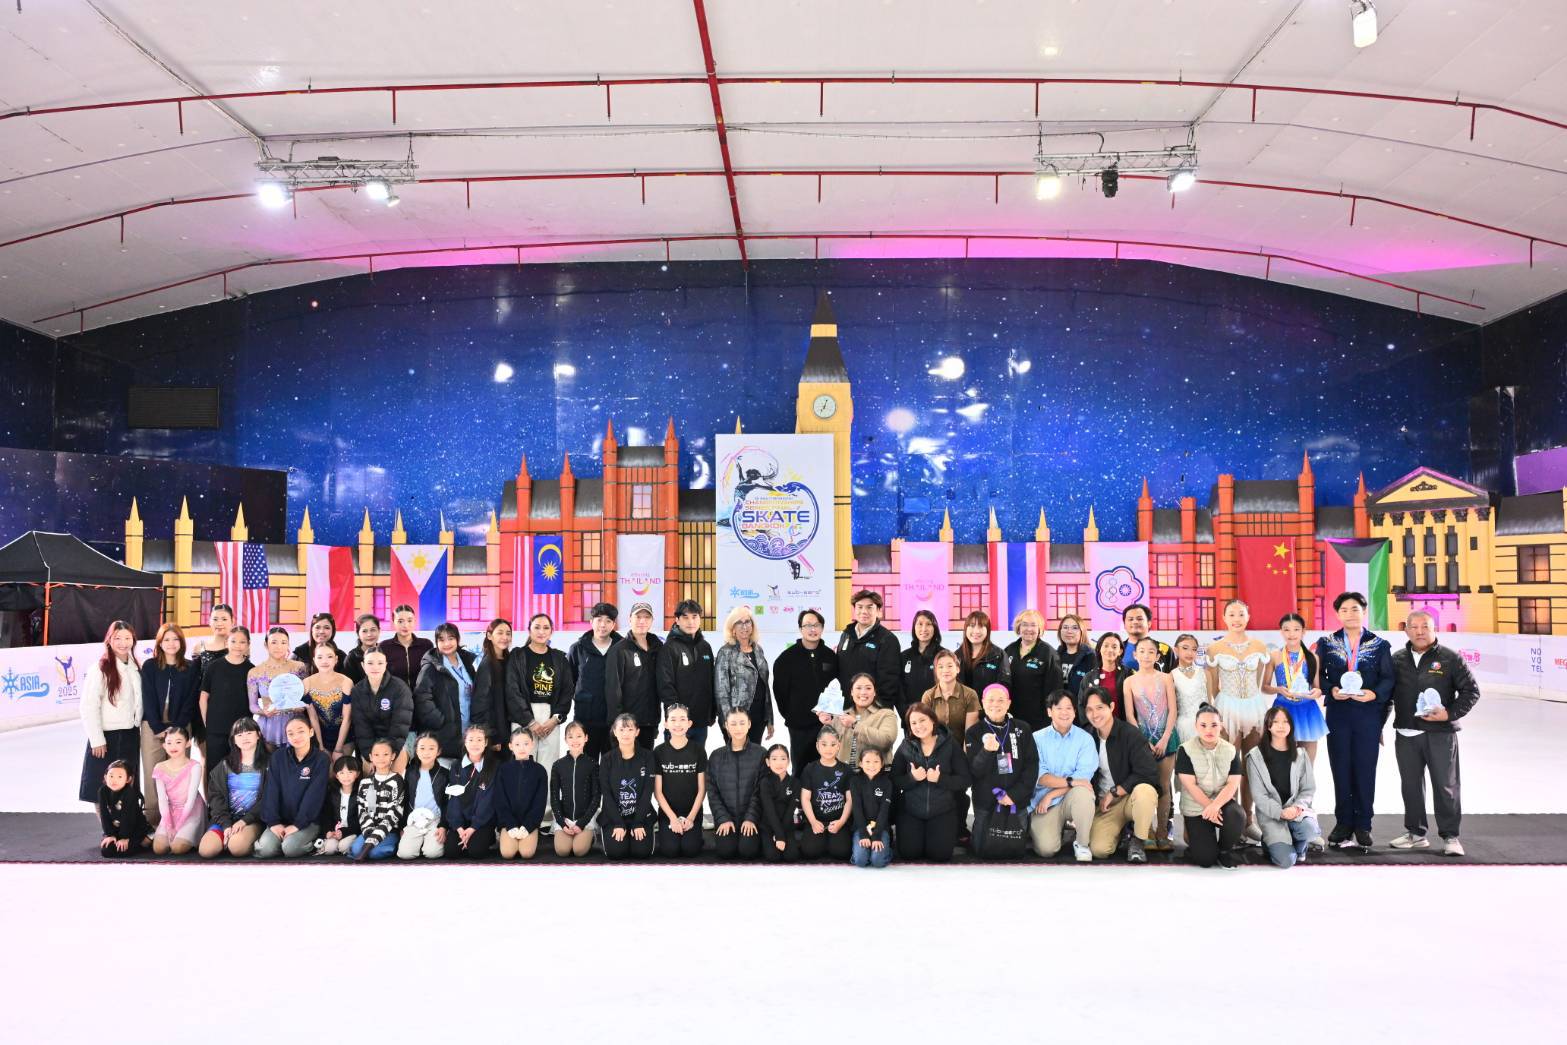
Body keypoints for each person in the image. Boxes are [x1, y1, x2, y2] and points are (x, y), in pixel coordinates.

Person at [1389, 610, 1480, 857]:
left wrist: (1449, 714)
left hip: (1440, 734)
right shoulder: (1397, 660)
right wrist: (1378, 726)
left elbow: (1471, 691)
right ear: (1406, 630)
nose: (1420, 631)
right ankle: (1416, 834)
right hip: (1407, 733)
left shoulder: (1450, 658)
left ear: (1434, 629)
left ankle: (1450, 836)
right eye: (1414, 627)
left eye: (1425, 627)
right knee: (1411, 786)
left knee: (1445, 786)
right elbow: (1387, 696)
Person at [1315, 591, 1395, 850]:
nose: (1350, 614)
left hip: (1367, 714)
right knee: (1340, 767)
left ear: (1364, 611)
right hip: (1338, 713)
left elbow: (1388, 678)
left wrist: (1375, 694)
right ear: (1338, 614)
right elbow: (1317, 676)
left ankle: (1363, 824)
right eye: (1344, 609)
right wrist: (1331, 689)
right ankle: (1343, 822)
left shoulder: (1379, 644)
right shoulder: (1327, 643)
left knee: (1365, 767)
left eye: (1355, 609)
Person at [1206, 600, 1270, 838]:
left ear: (1248, 616)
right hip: (1227, 709)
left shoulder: (1259, 646)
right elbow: (1213, 686)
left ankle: (1248, 821)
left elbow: (1259, 681)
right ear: (1224, 618)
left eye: (1241, 614)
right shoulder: (1215, 648)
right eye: (1231, 614)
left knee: (1252, 765)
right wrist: (1217, 715)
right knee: (1229, 767)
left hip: (1254, 708)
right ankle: (1231, 823)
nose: (1236, 619)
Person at [1082, 688, 1160, 862]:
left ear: (1111, 707)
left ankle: (1138, 840)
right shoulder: (1086, 736)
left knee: (1146, 792)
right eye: (1089, 710)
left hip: (1130, 798)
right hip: (1105, 805)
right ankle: (1120, 832)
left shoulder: (1130, 734)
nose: (1095, 714)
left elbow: (1148, 772)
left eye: (1100, 707)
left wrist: (1116, 791)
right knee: (1099, 850)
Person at [966, 683, 1038, 858]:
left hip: (1016, 801)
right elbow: (974, 771)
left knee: (1015, 850)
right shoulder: (974, 732)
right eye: (991, 700)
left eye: (1000, 700)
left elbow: (1031, 766)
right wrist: (986, 752)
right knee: (983, 850)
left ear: (1008, 703)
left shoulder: (1022, 729)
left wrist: (1014, 795)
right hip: (987, 802)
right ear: (983, 702)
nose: (995, 704)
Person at [893, 703, 971, 862]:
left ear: (933, 720)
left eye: (922, 720)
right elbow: (894, 779)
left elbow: (965, 780)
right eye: (913, 723)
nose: (918, 726)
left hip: (942, 810)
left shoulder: (950, 744)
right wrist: (912, 778)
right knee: (909, 853)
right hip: (911, 810)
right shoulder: (905, 746)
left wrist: (940, 779)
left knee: (939, 855)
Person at [501, 614, 573, 787]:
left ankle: (546, 804)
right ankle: (522, 803)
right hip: (523, 716)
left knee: (548, 766)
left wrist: (555, 719)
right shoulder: (517, 655)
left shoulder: (559, 658)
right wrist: (530, 722)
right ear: (529, 630)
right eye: (537, 627)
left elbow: (567, 690)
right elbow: (512, 691)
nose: (541, 631)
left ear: (552, 631)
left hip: (550, 717)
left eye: (546, 628)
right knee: (523, 764)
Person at [1245, 706, 1320, 869]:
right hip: (1272, 815)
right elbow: (1259, 796)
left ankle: (1298, 845)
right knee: (1287, 861)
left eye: (1285, 722)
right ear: (1268, 726)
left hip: (1296, 812)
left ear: (1291, 726)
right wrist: (1280, 812)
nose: (1281, 726)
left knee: (1311, 830)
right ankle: (1269, 842)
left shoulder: (1301, 754)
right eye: (1276, 722)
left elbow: (1308, 789)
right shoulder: (1255, 756)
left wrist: (1296, 808)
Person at [140, 622, 199, 826]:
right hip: (152, 726)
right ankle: (154, 821)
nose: (171, 643)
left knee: (179, 773)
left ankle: (180, 820)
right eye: (166, 639)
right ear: (159, 642)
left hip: (181, 725)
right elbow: (147, 698)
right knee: (152, 773)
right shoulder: (150, 666)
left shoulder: (190, 667)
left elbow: (191, 699)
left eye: (175, 639)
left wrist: (178, 729)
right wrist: (158, 728)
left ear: (181, 642)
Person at [1124, 636, 1178, 851]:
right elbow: (1130, 715)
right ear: (1134, 654)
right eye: (1142, 651)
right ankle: (1145, 831)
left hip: (1167, 738)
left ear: (1157, 656)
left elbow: (1173, 710)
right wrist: (1144, 741)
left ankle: (1162, 832)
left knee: (1164, 786)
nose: (1146, 655)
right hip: (1142, 741)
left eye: (1151, 652)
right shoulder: (1129, 681)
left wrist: (1165, 738)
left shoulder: (1165, 678)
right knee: (1144, 786)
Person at [1030, 689, 1097, 861]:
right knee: (1046, 850)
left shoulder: (1085, 739)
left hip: (1069, 797)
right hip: (1044, 803)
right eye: (1059, 708)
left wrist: (1052, 794)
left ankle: (1082, 843)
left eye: (1069, 708)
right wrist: (1071, 782)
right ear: (1049, 711)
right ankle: (1058, 828)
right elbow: (1041, 777)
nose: (1064, 712)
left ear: (1075, 712)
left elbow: (1083, 781)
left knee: (1083, 793)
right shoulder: (1036, 739)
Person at [79, 621, 142, 805]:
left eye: (127, 638)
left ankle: (125, 822)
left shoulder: (134, 666)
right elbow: (89, 705)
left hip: (130, 734)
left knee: (127, 784)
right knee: (101, 788)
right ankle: (106, 823)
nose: (123, 643)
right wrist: (96, 739)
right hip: (107, 737)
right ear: (109, 640)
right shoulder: (100, 668)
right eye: (118, 638)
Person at [773, 609, 840, 777]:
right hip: (799, 727)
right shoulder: (786, 659)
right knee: (800, 769)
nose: (812, 629)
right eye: (808, 625)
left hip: (826, 725)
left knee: (827, 768)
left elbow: (838, 688)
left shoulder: (831, 657)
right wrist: (792, 715)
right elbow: (780, 692)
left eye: (816, 625)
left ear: (822, 628)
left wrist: (831, 715)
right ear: (800, 629)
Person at [1176, 704, 1245, 868]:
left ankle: (1224, 850)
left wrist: (1215, 806)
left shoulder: (1230, 750)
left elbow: (1232, 783)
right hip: (1196, 806)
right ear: (1196, 726)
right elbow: (1191, 786)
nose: (1209, 730)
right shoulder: (1185, 750)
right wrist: (1209, 806)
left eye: (1214, 725)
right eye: (1203, 725)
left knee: (1237, 815)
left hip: (1221, 803)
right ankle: (1201, 842)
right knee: (1205, 859)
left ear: (1221, 726)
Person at [254, 716, 329, 859]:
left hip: (307, 821)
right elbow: (271, 790)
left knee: (290, 848)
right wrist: (274, 823)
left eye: (301, 731)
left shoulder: (321, 759)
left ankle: (314, 843)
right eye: (291, 733)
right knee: (265, 850)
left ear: (311, 732)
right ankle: (279, 843)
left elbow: (314, 795)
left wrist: (298, 825)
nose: (296, 737)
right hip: (281, 820)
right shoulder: (278, 757)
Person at [199, 717, 268, 859]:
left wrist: (244, 821)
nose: (244, 738)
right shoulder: (225, 765)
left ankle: (241, 839)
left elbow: (269, 799)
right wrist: (226, 825)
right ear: (234, 740)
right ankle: (228, 837)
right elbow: (216, 798)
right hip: (225, 820)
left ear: (258, 735)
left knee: (236, 847)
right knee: (206, 850)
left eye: (249, 733)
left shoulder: (269, 764)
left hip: (252, 820)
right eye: (239, 735)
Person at [1263, 614, 1327, 763]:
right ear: (1281, 632)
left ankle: (1306, 779)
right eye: (1287, 629)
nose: (1291, 634)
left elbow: (1317, 689)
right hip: (1282, 710)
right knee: (1282, 760)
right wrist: (1278, 690)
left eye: (1296, 629)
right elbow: (1264, 687)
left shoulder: (1312, 657)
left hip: (1307, 710)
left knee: (1307, 763)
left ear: (1303, 631)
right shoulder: (1274, 656)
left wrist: (1315, 693)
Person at [415, 623, 477, 769]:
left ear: (458, 639)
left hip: (468, 731)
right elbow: (421, 698)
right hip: (445, 735)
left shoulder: (467, 663)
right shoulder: (431, 667)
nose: (446, 643)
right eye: (441, 639)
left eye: (451, 638)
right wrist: (442, 721)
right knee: (445, 776)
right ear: (436, 642)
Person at [708, 708, 766, 860]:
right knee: (725, 851)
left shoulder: (760, 754)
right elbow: (712, 791)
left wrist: (751, 818)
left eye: (742, 723)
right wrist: (723, 818)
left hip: (751, 818)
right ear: (726, 725)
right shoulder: (716, 756)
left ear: (749, 724)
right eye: (733, 724)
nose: (738, 728)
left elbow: (761, 791)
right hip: (727, 818)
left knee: (748, 851)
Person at [605, 602, 664, 750]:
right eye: (638, 617)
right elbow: (613, 689)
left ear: (652, 621)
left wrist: (656, 720)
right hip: (626, 725)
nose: (642, 621)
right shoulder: (619, 650)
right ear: (630, 619)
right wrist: (618, 723)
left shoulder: (658, 648)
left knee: (646, 762)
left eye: (647, 617)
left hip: (649, 722)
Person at [659, 599, 716, 747]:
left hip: (701, 722)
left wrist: (712, 712)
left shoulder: (705, 647)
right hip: (678, 724)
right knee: (675, 760)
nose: (691, 622)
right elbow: (665, 685)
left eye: (694, 617)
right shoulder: (669, 648)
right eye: (685, 617)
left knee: (698, 760)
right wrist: (676, 717)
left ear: (700, 619)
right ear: (677, 620)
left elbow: (711, 681)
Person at [600, 714, 658, 859]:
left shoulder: (648, 757)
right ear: (615, 732)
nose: (625, 734)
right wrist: (618, 823)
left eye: (630, 729)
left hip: (640, 816)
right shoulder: (607, 759)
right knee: (616, 852)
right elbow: (606, 794)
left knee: (641, 852)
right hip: (614, 817)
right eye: (621, 729)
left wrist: (638, 822)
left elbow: (648, 792)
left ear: (637, 732)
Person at [714, 605, 774, 746]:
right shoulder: (725, 652)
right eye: (739, 622)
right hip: (737, 718)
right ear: (732, 628)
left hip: (759, 716)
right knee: (737, 755)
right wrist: (728, 722)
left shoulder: (758, 650)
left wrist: (769, 719)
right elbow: (721, 692)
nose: (744, 626)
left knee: (755, 754)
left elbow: (765, 686)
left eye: (747, 622)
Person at [567, 602, 621, 758]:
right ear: (591, 622)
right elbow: (569, 683)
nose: (603, 625)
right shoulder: (578, 648)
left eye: (608, 621)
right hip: (586, 719)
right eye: (599, 620)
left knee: (612, 765)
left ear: (613, 625)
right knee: (586, 764)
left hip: (614, 720)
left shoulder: (622, 648)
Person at [653, 704, 707, 858]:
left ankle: (696, 834)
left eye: (682, 719)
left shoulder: (698, 750)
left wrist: (691, 818)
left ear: (689, 723)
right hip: (668, 813)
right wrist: (672, 818)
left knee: (690, 850)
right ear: (666, 724)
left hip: (692, 811)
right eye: (673, 719)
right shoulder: (659, 752)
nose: (678, 724)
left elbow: (702, 789)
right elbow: (657, 792)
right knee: (670, 850)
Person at [350, 649, 413, 774]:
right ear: (363, 665)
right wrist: (370, 756)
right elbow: (362, 727)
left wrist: (388, 754)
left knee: (392, 776)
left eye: (380, 663)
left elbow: (400, 726)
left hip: (400, 738)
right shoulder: (357, 690)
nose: (375, 667)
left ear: (385, 665)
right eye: (370, 663)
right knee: (369, 773)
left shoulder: (400, 688)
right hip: (371, 741)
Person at [835, 589, 902, 709]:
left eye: (869, 607)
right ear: (854, 609)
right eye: (860, 607)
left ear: (879, 611)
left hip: (874, 710)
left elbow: (889, 682)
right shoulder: (846, 634)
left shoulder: (887, 639)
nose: (864, 611)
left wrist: (877, 709)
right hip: (846, 708)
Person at [199, 626, 253, 770]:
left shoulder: (251, 670)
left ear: (248, 644)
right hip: (216, 729)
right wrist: (207, 722)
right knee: (215, 770)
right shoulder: (213, 667)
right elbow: (203, 697)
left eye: (242, 642)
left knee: (239, 770)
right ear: (226, 642)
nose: (237, 646)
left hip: (242, 732)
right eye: (233, 641)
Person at [823, 672, 899, 773]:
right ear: (852, 692)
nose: (863, 692)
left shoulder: (886, 714)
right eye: (858, 688)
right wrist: (827, 723)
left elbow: (886, 740)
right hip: (844, 775)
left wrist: (855, 725)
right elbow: (826, 746)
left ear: (874, 692)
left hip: (875, 775)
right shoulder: (841, 715)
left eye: (868, 688)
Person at [248, 627, 308, 750]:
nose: (279, 647)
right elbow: (252, 706)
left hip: (295, 723)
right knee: (270, 760)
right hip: (269, 725)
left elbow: (306, 697)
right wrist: (263, 712)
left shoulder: (299, 668)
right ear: (266, 645)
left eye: (283, 642)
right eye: (274, 642)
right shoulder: (255, 672)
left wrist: (301, 707)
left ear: (288, 644)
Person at [800, 726, 854, 861]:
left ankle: (832, 839)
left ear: (839, 746)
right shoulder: (810, 769)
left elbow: (850, 800)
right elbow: (805, 799)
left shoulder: (846, 770)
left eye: (833, 744)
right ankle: (822, 839)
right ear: (817, 746)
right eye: (824, 744)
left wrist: (841, 822)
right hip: (817, 819)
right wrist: (813, 822)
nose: (828, 749)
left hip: (838, 820)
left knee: (842, 852)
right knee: (810, 851)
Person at [149, 726, 205, 856]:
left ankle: (189, 835)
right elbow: (162, 800)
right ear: (164, 746)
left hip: (191, 810)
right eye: (169, 743)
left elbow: (191, 800)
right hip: (171, 810)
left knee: (177, 848)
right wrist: (169, 826)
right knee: (158, 848)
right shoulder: (159, 767)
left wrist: (178, 826)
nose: (173, 746)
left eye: (178, 742)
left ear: (188, 743)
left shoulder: (195, 766)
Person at [1004, 609, 1063, 732]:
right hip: (1011, 716)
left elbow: (1055, 690)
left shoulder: (1049, 653)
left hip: (1038, 720)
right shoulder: (1009, 650)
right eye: (1024, 624)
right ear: (1018, 627)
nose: (1029, 629)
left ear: (1039, 629)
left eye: (1033, 625)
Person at [445, 725, 498, 860]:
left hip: (482, 822)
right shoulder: (456, 766)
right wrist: (459, 827)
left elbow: (488, 801)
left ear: (485, 742)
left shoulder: (493, 766)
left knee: (476, 851)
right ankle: (464, 838)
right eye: (471, 740)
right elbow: (454, 799)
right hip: (462, 822)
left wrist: (473, 827)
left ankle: (489, 837)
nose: (475, 744)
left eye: (479, 740)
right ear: (465, 742)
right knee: (451, 852)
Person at [550, 721, 601, 858]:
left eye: (579, 736)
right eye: (570, 736)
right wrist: (562, 822)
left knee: (579, 851)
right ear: (565, 739)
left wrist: (582, 823)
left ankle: (589, 837)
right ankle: (566, 833)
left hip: (584, 818)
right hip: (565, 818)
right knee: (562, 851)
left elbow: (596, 796)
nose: (575, 740)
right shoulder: (558, 765)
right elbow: (554, 796)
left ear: (586, 738)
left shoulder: (593, 764)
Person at [495, 728, 548, 860]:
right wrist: (510, 825)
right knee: (507, 853)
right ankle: (504, 835)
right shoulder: (503, 769)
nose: (522, 748)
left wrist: (528, 826)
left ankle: (530, 834)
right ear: (510, 746)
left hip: (529, 823)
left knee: (526, 853)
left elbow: (539, 803)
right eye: (517, 744)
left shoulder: (540, 771)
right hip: (508, 823)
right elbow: (500, 800)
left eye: (526, 743)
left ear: (532, 744)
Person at [351, 738, 406, 860]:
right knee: (356, 850)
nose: (381, 758)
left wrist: (370, 844)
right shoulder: (365, 782)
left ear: (393, 756)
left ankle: (392, 845)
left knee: (374, 853)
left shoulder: (396, 781)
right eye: (376, 755)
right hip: (369, 830)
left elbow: (394, 814)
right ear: (371, 757)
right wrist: (369, 835)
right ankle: (369, 847)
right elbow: (362, 811)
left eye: (385, 754)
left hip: (389, 830)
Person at [192, 603, 236, 756]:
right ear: (209, 621)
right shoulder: (200, 647)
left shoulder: (239, 647)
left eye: (224, 619)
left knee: (233, 757)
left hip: (232, 709)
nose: (219, 623)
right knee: (207, 757)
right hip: (204, 708)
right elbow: (194, 681)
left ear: (232, 621)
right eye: (215, 619)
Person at [398, 733, 450, 860]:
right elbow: (405, 799)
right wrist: (402, 825)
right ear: (416, 750)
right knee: (405, 854)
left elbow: (446, 803)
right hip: (414, 819)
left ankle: (427, 843)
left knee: (432, 853)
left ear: (438, 751)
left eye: (431, 748)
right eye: (422, 748)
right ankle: (419, 843)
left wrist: (443, 826)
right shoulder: (410, 772)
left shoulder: (444, 774)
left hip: (435, 820)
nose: (426, 752)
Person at [302, 643, 354, 762]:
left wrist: (338, 749)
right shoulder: (307, 683)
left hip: (345, 737)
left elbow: (347, 718)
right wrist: (320, 747)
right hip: (320, 735)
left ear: (336, 659)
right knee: (325, 768)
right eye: (320, 657)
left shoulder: (346, 682)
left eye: (329, 656)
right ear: (314, 660)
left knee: (341, 767)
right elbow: (313, 717)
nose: (324, 661)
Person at [469, 618, 513, 760]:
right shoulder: (487, 665)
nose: (504, 637)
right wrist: (491, 736)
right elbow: (479, 704)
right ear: (489, 635)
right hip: (497, 735)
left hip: (510, 730)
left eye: (508, 633)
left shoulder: (509, 661)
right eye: (500, 633)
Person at [850, 747, 894, 868]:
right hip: (861, 827)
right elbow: (857, 809)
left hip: (881, 827)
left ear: (882, 764)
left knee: (877, 861)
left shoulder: (887, 783)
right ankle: (860, 851)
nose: (872, 765)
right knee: (860, 861)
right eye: (867, 761)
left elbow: (884, 811)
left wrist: (877, 835)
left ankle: (887, 851)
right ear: (860, 763)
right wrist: (864, 834)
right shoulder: (855, 781)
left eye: (876, 761)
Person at [96, 760, 149, 859]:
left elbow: (128, 818)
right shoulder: (102, 791)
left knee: (123, 851)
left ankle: (144, 840)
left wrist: (125, 837)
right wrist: (110, 835)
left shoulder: (129, 793)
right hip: (116, 829)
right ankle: (119, 839)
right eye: (111, 776)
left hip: (133, 829)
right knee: (106, 851)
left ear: (128, 779)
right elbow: (104, 815)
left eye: (120, 777)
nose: (114, 780)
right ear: (105, 777)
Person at [758, 744, 801, 861]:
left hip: (787, 826)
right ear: (768, 762)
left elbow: (791, 810)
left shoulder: (795, 783)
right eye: (774, 759)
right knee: (773, 856)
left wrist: (781, 835)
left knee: (791, 855)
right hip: (768, 826)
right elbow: (769, 810)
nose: (779, 763)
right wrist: (779, 836)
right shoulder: (765, 782)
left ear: (788, 761)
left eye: (783, 758)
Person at [379, 604, 434, 691]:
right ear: (393, 622)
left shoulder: (426, 645)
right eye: (400, 621)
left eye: (409, 620)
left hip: (423, 696)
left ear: (414, 621)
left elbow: (432, 674)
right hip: (395, 696)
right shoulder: (384, 647)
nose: (405, 625)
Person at [900, 610, 943, 717]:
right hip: (910, 716)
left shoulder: (943, 655)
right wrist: (906, 712)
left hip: (937, 716)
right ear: (914, 628)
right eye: (920, 624)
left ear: (935, 628)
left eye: (928, 624)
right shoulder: (904, 656)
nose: (924, 629)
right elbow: (899, 688)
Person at [1077, 633, 1130, 720]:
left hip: (1122, 725)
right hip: (1096, 726)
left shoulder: (1128, 674)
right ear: (1099, 648)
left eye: (1114, 647)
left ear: (1120, 651)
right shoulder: (1089, 677)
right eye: (1106, 646)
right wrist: (1088, 726)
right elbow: (1082, 705)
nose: (1110, 650)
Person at [318, 754, 363, 856]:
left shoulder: (361, 793)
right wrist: (328, 831)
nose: (346, 776)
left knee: (343, 846)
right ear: (336, 775)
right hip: (335, 832)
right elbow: (326, 815)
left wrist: (344, 832)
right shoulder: (332, 792)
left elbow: (360, 819)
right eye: (341, 773)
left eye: (350, 772)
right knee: (329, 849)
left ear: (357, 774)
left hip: (352, 831)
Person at [958, 610, 1010, 694]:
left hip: (988, 702)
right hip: (963, 703)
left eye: (981, 627)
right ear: (965, 629)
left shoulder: (999, 655)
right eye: (972, 626)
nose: (976, 631)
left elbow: (1004, 685)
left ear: (988, 630)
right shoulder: (956, 656)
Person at [1121, 604, 1174, 672]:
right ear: (1124, 625)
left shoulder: (1164, 650)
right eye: (1130, 619)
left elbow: (1173, 676)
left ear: (1149, 623)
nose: (1135, 622)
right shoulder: (1117, 649)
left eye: (1139, 619)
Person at [1057, 614, 1097, 698]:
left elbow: (1094, 689)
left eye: (1075, 628)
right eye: (1065, 627)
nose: (1069, 631)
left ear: (1082, 632)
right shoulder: (1055, 655)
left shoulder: (1091, 656)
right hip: (1058, 704)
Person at [341, 613, 381, 685]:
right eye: (364, 631)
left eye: (373, 630)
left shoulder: (386, 652)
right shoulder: (352, 658)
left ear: (379, 631)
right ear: (358, 634)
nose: (369, 634)